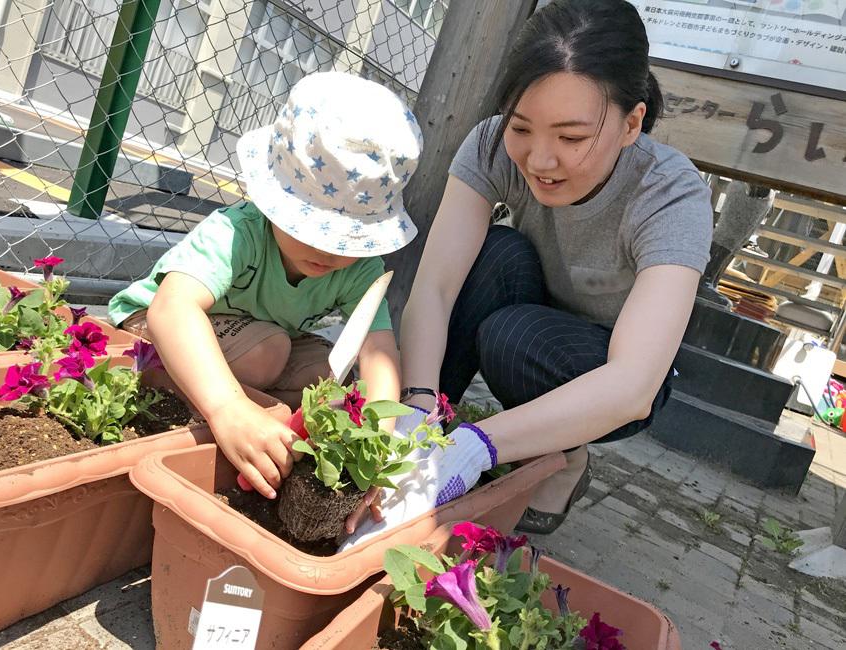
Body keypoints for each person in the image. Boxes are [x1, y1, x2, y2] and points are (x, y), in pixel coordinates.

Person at [344, 0, 712, 545]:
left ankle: (559, 455)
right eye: (522, 127)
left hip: (605, 364)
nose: (540, 159)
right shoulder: (493, 146)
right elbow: (437, 287)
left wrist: (478, 446)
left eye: (570, 138)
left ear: (632, 123)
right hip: (528, 308)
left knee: (513, 338)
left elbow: (634, 384)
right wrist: (419, 400)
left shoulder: (670, 193)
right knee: (496, 253)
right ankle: (409, 454)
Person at [107, 72, 422, 502]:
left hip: (252, 340)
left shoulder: (359, 270)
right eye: (309, 227)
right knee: (268, 351)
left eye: (345, 240)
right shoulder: (237, 233)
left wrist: (374, 448)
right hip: (147, 332)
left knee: (328, 380)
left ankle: (260, 423)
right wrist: (228, 411)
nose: (326, 252)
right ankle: (205, 400)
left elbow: (379, 352)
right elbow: (172, 308)